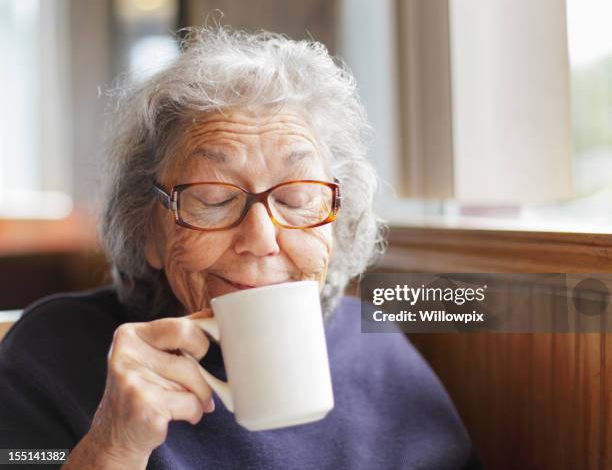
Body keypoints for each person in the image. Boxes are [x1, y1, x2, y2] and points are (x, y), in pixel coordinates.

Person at [0, 27, 483, 469]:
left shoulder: (376, 349)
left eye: (297, 198)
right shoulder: (55, 351)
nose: (261, 240)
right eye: (212, 199)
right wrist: (111, 445)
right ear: (149, 230)